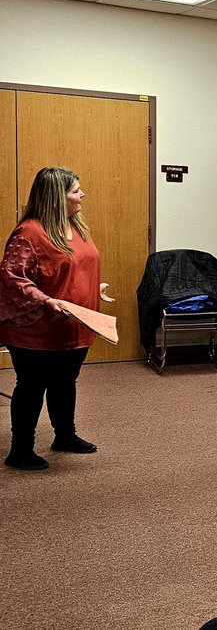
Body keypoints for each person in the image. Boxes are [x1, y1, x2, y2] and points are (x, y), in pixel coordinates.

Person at [0, 167, 113, 470]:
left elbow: (75, 267)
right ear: (55, 197)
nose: (82, 195)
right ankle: (20, 450)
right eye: (76, 191)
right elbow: (13, 280)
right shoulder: (29, 233)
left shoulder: (75, 226)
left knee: (65, 381)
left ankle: (65, 436)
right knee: (32, 385)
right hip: (35, 328)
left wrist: (92, 287)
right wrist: (48, 300)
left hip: (73, 323)